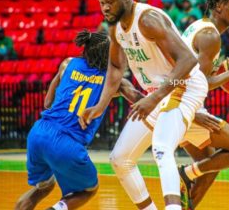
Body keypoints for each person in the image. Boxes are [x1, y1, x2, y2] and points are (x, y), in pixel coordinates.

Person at [80, 0, 209, 210]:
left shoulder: (148, 19)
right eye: (101, 3)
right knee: (120, 159)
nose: (105, 7)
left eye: (110, 1)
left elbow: (188, 59)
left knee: (161, 147)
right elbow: (117, 67)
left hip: (184, 85)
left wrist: (155, 97)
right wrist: (100, 106)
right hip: (158, 93)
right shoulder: (115, 27)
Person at [15, 30, 140, 210]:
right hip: (67, 143)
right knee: (89, 189)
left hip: (39, 133)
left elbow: (47, 102)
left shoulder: (68, 63)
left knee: (42, 188)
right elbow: (137, 98)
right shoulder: (113, 81)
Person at [178, 0, 229, 208]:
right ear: (219, 7)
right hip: (185, 105)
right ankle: (185, 173)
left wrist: (220, 70)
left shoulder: (199, 28)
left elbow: (194, 76)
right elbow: (197, 86)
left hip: (180, 103)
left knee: (211, 165)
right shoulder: (210, 35)